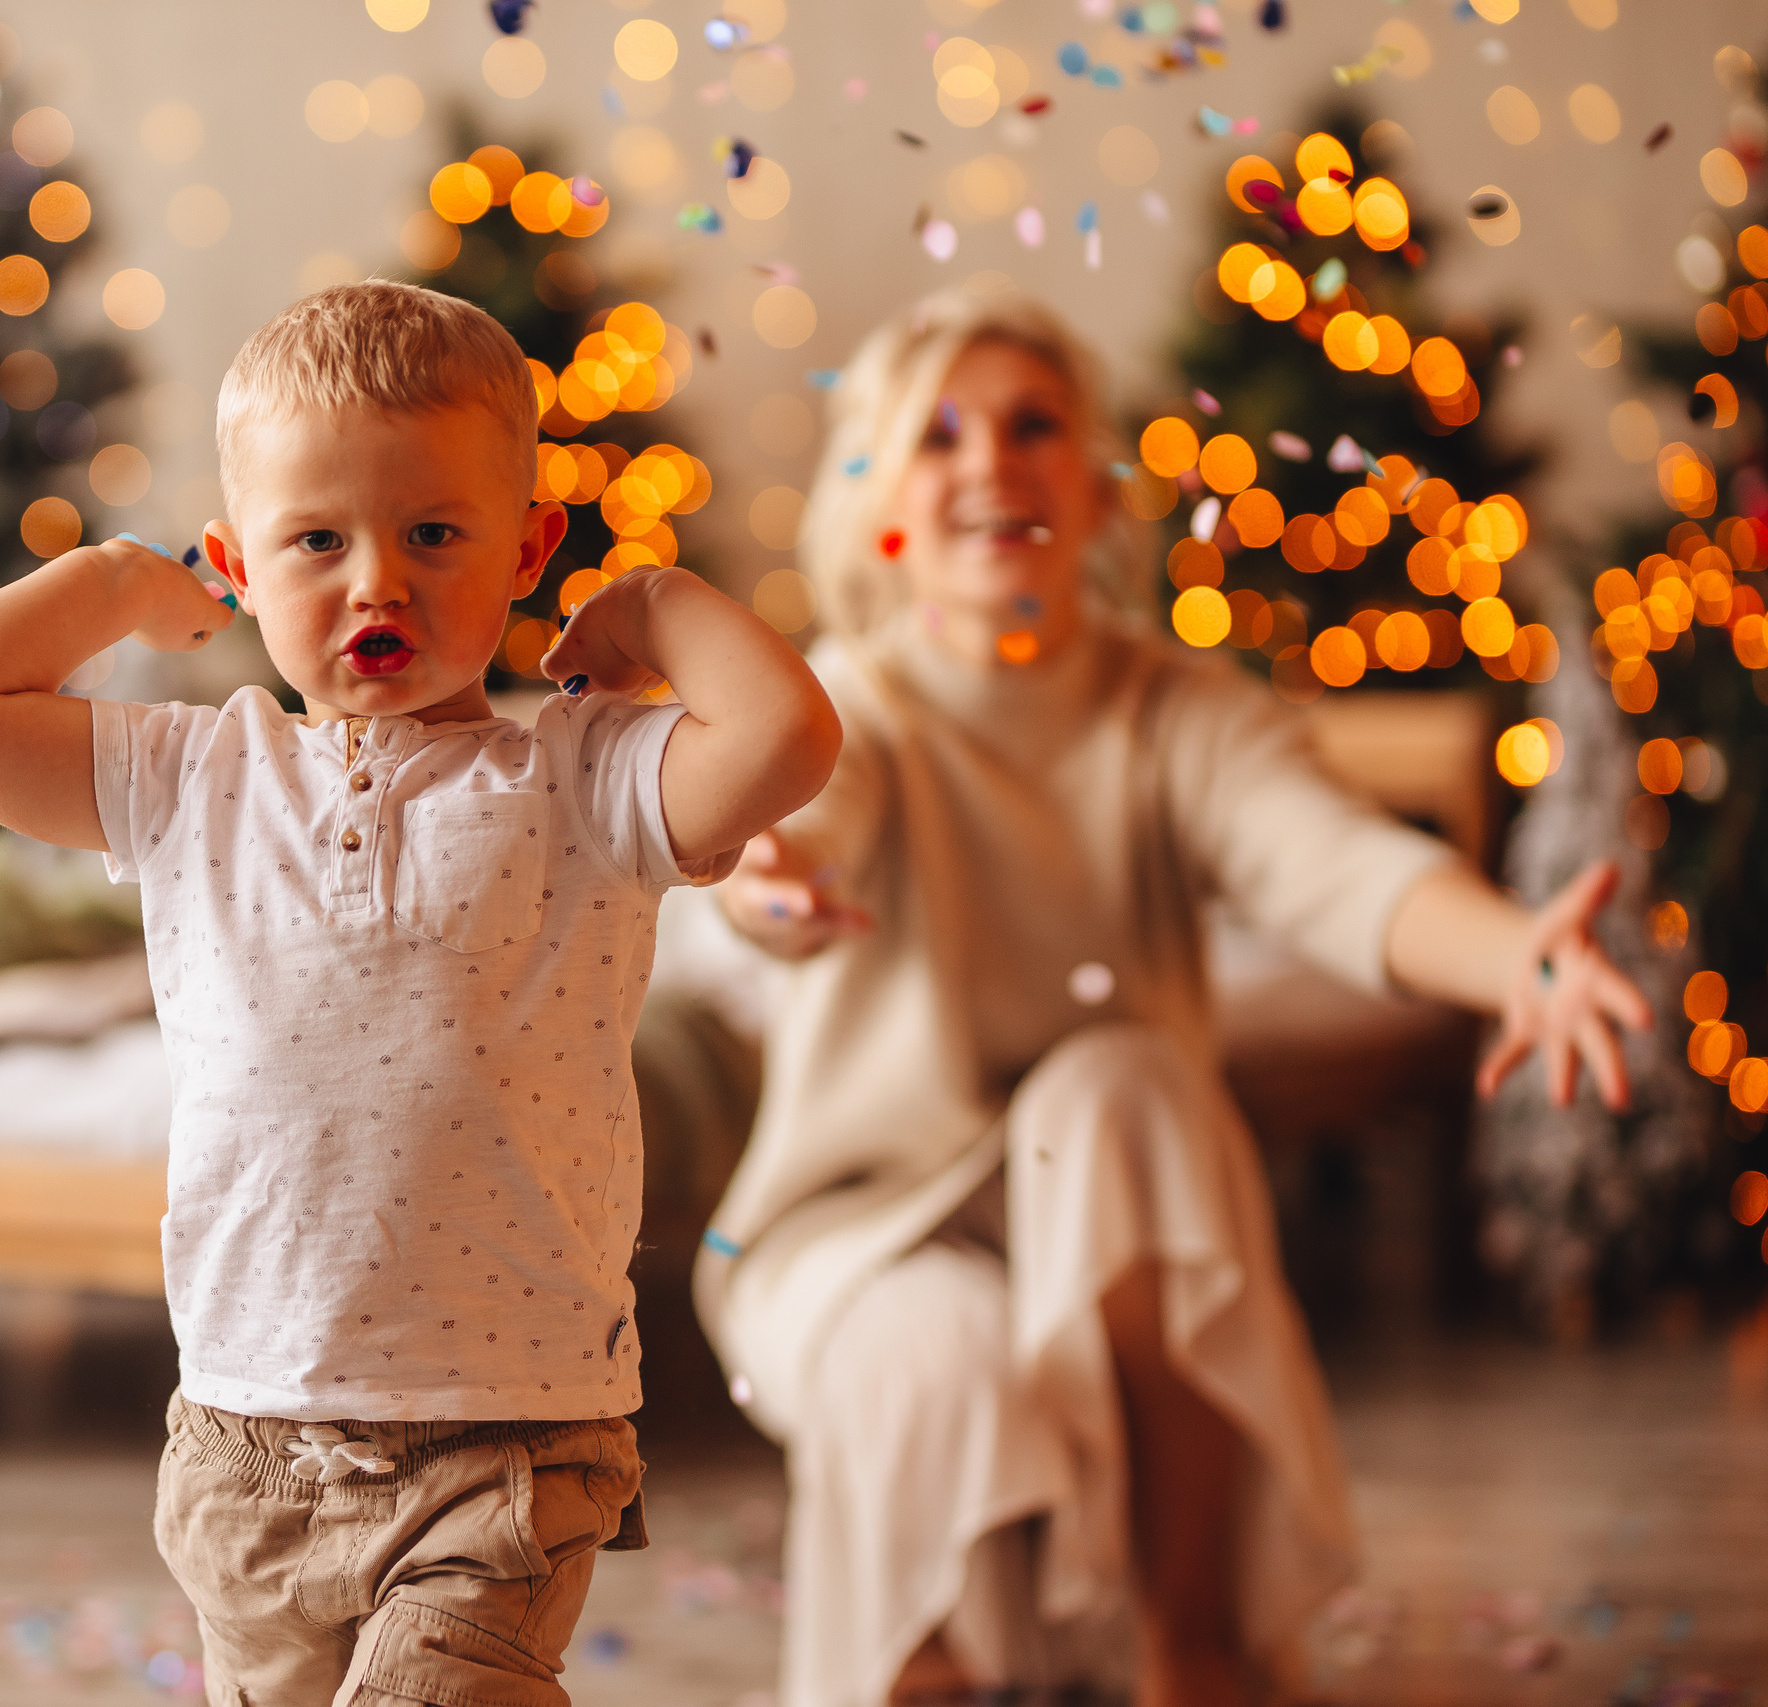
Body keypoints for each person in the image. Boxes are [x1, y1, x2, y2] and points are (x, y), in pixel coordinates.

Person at [694, 283, 1651, 1707]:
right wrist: (768, 881)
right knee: (929, 1354)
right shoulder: (855, 708)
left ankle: (1188, 1643)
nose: (991, 461)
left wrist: (1519, 956)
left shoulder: (1172, 711)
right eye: (941, 435)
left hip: (1115, 1216)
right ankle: (932, 1676)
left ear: (1093, 489)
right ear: (879, 499)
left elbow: (1337, 865)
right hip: (865, 1228)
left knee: (1123, 1086)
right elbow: (796, 824)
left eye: (1033, 426)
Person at [0, 281, 840, 1705]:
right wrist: (113, 585)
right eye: (318, 542)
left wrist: (655, 601)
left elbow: (787, 734)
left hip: (505, 1440)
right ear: (240, 565)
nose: (378, 582)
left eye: (435, 535)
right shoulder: (190, 775)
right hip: (248, 1431)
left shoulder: (584, 779)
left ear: (529, 549)